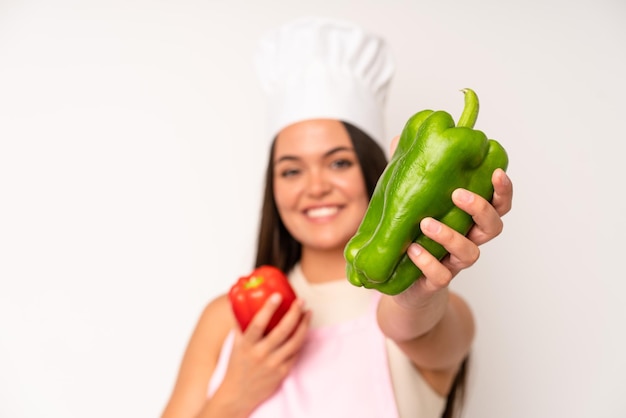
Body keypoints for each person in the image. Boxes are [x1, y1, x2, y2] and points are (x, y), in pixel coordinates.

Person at [161, 17, 513, 418]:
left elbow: (408, 322)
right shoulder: (224, 320)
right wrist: (234, 396)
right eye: (292, 170)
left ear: (383, 173)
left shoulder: (435, 314)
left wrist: (414, 294)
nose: (315, 187)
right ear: (273, 187)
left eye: (339, 162)